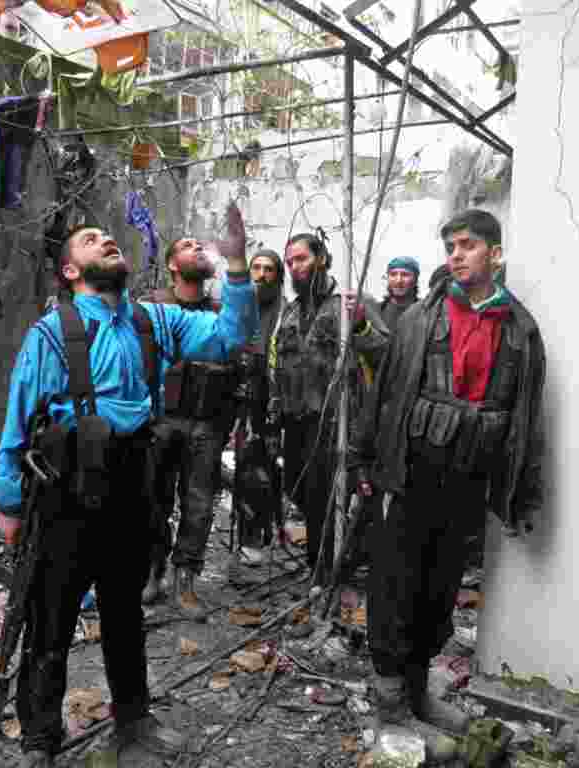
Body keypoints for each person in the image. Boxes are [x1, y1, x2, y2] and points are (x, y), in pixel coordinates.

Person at [0, 203, 258, 768]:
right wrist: (9, 502)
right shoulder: (52, 331)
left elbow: (232, 334)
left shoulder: (152, 321)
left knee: (124, 615)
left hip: (134, 489)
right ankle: (40, 741)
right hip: (65, 495)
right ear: (70, 271)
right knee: (51, 620)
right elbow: (18, 417)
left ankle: (133, 724)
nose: (107, 240)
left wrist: (235, 261)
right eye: (91, 239)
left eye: (109, 237)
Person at [351, 209, 546, 737]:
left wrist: (523, 494)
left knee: (439, 592)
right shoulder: (419, 318)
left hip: (467, 479)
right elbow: (385, 394)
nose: (455, 255)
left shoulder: (522, 330)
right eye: (450, 247)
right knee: (395, 587)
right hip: (410, 474)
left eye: (466, 245)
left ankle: (417, 694)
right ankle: (391, 704)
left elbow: (527, 419)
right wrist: (364, 460)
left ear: (495, 254)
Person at [269, 232, 390, 594]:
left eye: (302, 259)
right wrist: (274, 417)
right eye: (290, 262)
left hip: (336, 422)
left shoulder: (350, 304)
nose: (295, 267)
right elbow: (277, 366)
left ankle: (329, 572)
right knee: (298, 490)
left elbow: (386, 354)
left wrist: (362, 324)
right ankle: (323, 564)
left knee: (329, 496)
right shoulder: (289, 311)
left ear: (321, 258)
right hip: (297, 423)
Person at [138, 235, 241, 618]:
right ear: (172, 264)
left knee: (198, 506)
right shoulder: (151, 308)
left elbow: (240, 368)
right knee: (152, 501)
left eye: (201, 245)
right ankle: (153, 571)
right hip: (161, 421)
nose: (198, 248)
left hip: (207, 425)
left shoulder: (221, 310)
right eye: (187, 245)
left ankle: (186, 582)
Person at [227, 248, 285, 583]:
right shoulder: (237, 310)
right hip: (237, 398)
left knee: (263, 472)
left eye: (269, 269)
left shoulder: (285, 312)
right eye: (257, 268)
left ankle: (258, 538)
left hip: (271, 401)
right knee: (245, 469)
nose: (261, 275)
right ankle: (249, 538)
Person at [380, 256, 421, 334]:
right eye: (393, 274)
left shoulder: (425, 312)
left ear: (415, 279)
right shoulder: (377, 312)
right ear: (387, 278)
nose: (398, 280)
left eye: (405, 275)